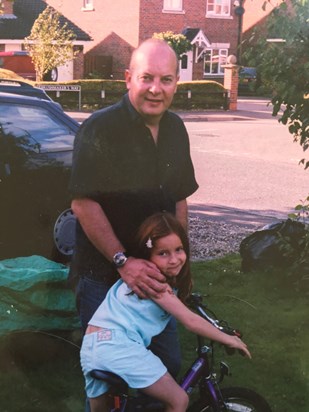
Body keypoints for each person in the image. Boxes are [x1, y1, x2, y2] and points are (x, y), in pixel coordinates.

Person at [69, 37, 199, 380]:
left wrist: (177, 260)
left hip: (156, 280)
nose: (156, 89)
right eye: (147, 78)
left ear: (176, 83)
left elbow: (179, 198)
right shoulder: (100, 128)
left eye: (166, 79)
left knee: (165, 371)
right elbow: (83, 203)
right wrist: (123, 262)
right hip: (104, 278)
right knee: (108, 378)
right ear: (129, 78)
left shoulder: (175, 129)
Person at [80, 212, 251, 412]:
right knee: (178, 401)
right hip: (119, 345)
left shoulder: (136, 279)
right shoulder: (156, 284)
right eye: (163, 253)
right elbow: (190, 321)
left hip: (92, 347)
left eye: (179, 250)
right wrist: (228, 339)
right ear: (148, 256)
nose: (174, 259)